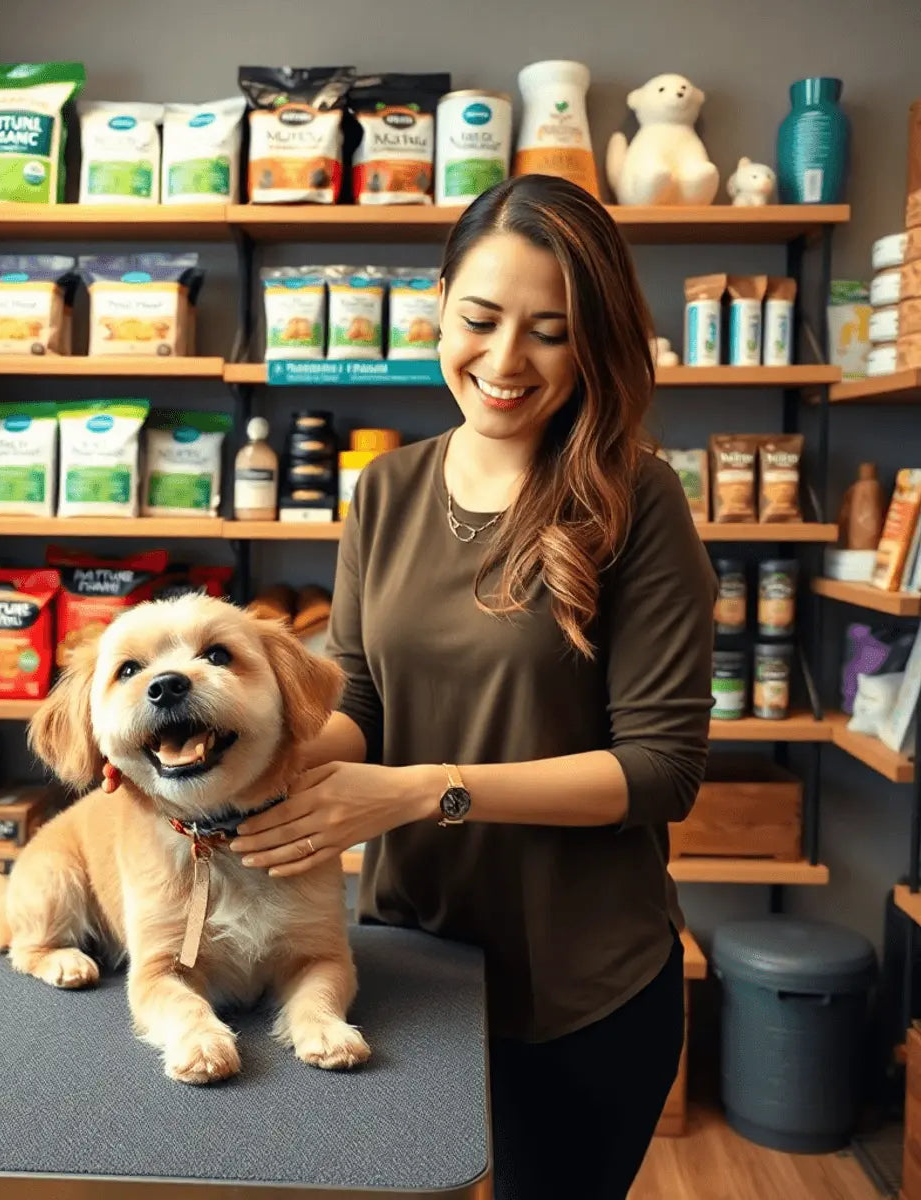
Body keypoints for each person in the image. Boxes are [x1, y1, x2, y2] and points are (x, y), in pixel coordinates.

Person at [227, 173, 717, 1200]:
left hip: (581, 991)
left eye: (549, 330)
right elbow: (358, 698)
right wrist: (214, 759)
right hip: (410, 964)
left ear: (595, 343)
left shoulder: (639, 499)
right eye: (481, 318)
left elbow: (661, 770)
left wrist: (423, 790)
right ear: (439, 303)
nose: (504, 361)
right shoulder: (389, 489)